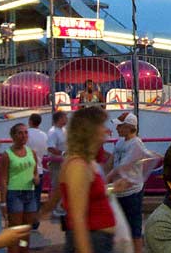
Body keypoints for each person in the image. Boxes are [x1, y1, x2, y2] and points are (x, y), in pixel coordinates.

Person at [60, 107, 115, 253]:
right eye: (101, 125)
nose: (105, 130)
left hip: (98, 239)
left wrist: (114, 188)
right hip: (93, 240)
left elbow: (90, 195)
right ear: (90, 130)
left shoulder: (86, 162)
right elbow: (78, 219)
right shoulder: (78, 165)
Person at [106, 112, 148, 253]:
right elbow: (112, 160)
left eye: (120, 126)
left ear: (129, 127)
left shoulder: (136, 144)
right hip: (120, 192)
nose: (117, 129)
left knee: (134, 229)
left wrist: (106, 180)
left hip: (132, 192)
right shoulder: (120, 142)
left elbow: (120, 168)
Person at [0, 123, 39, 253]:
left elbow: (35, 171)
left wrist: (36, 178)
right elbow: (3, 179)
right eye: (20, 133)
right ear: (13, 136)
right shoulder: (7, 155)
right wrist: (3, 202)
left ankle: (23, 250)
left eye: (25, 132)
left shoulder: (31, 152)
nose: (23, 136)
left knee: (26, 230)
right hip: (14, 194)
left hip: (30, 194)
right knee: (15, 230)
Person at [26, 113, 48, 230]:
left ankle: (27, 221)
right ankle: (35, 222)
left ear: (30, 121)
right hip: (39, 169)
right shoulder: (44, 135)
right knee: (36, 197)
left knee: (26, 196)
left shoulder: (26, 134)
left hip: (26, 169)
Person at [47, 111, 68, 217]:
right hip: (56, 164)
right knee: (57, 185)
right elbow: (50, 147)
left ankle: (61, 207)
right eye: (65, 117)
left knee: (63, 185)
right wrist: (63, 153)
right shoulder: (53, 132)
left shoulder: (63, 130)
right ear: (59, 119)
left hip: (64, 163)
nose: (67, 119)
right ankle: (55, 209)